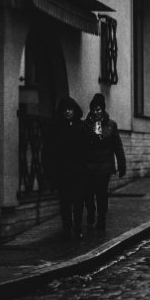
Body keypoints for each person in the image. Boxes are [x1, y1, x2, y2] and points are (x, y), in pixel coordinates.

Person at [46, 97, 88, 240]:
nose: (68, 112)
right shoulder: (56, 127)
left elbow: (88, 148)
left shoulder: (82, 126)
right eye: (65, 110)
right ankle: (66, 228)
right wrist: (51, 169)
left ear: (75, 110)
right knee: (65, 201)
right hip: (62, 170)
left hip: (79, 171)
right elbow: (49, 150)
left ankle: (77, 227)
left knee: (78, 201)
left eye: (70, 109)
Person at [83, 93, 126, 231]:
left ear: (103, 110)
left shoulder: (111, 125)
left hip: (104, 166)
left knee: (101, 194)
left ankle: (101, 217)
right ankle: (90, 210)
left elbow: (117, 146)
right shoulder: (85, 125)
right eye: (94, 109)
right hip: (89, 166)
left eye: (99, 109)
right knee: (88, 193)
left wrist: (122, 164)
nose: (96, 112)